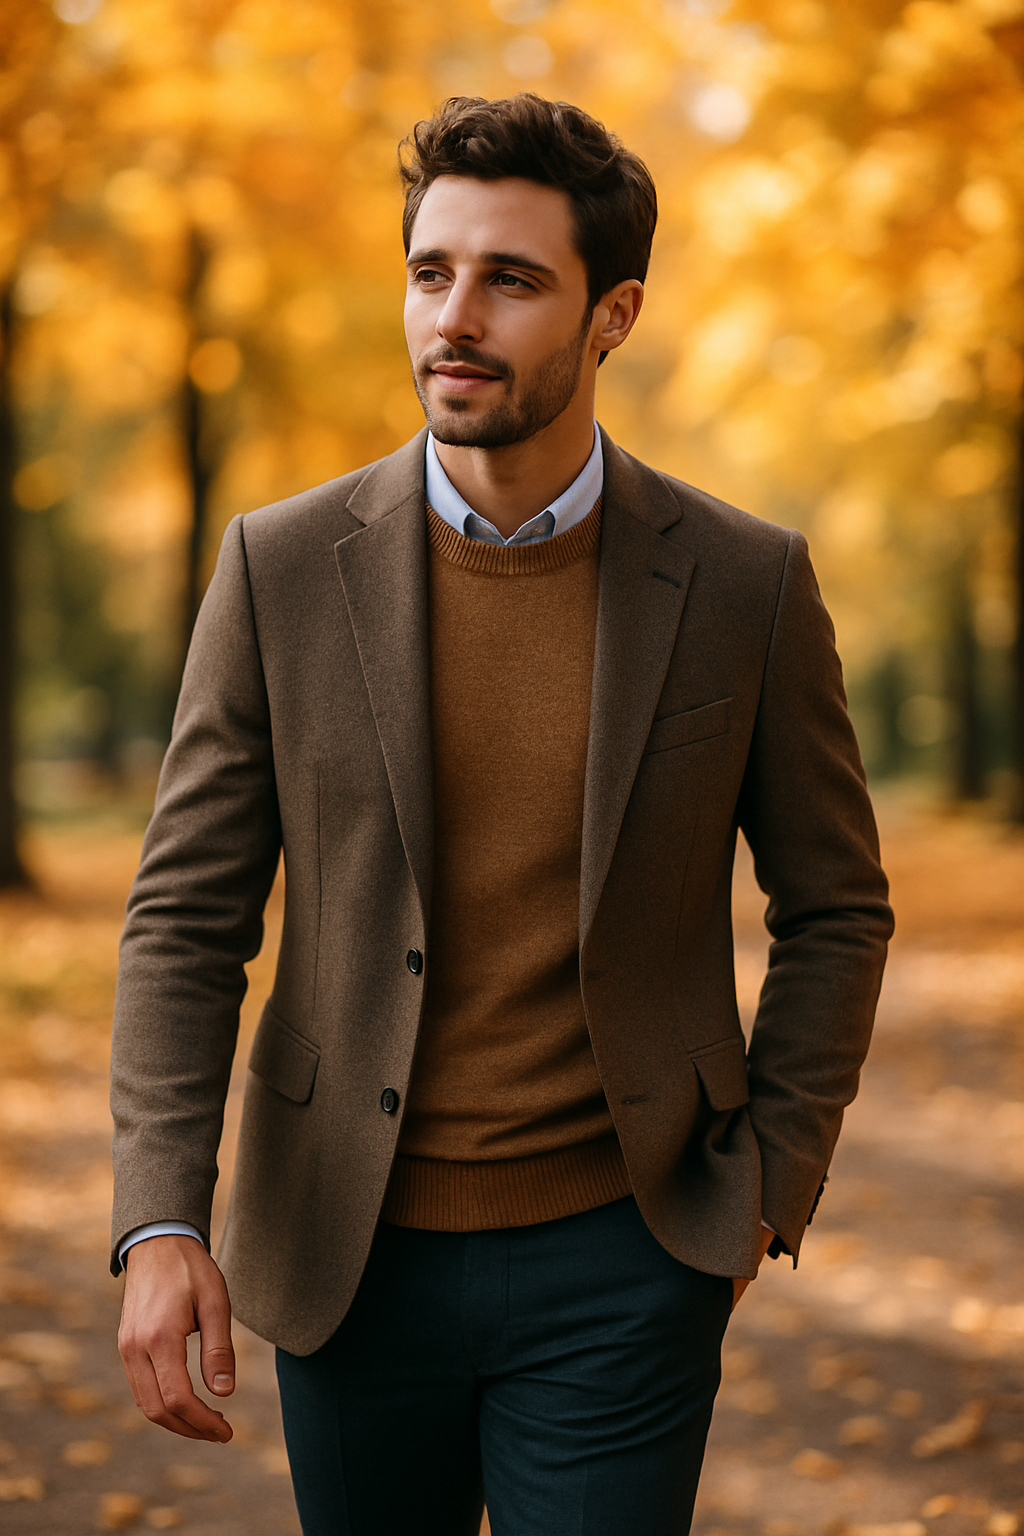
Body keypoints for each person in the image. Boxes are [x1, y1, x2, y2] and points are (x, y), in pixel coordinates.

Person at [111, 93, 893, 1536]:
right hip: (349, 1256)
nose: (453, 317)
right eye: (430, 271)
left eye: (511, 280)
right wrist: (160, 1216)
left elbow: (837, 904)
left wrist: (771, 1183)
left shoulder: (743, 583)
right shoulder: (278, 569)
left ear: (615, 316)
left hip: (627, 1256)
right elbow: (186, 917)